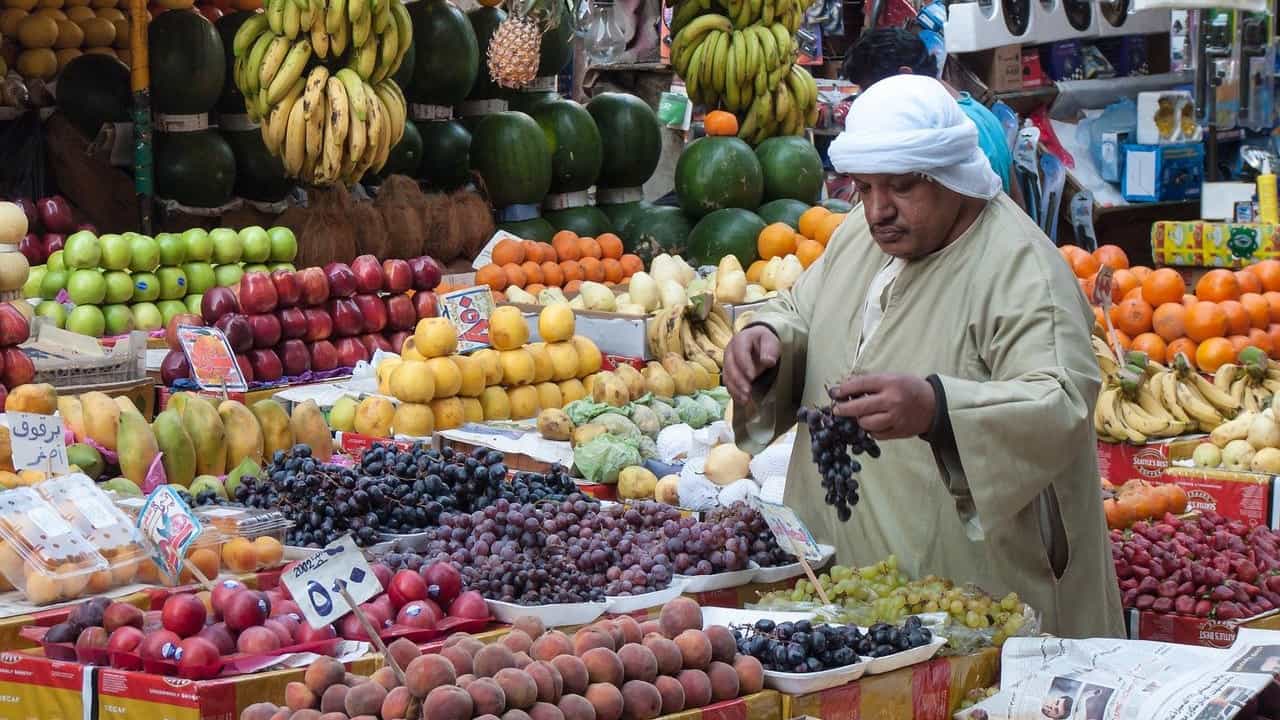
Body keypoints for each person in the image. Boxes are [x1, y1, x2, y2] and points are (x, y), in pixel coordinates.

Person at [724, 75, 1124, 639]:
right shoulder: (858, 239)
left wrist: (939, 408)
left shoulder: (1021, 269)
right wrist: (765, 337)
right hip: (849, 584)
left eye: (902, 187)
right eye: (863, 189)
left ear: (950, 176)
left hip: (973, 599)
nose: (878, 210)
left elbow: (1061, 402)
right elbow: (801, 308)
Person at [843, 28, 1024, 209]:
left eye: (870, 91)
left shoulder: (939, 131)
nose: (867, 103)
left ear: (904, 76)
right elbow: (1017, 206)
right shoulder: (984, 114)